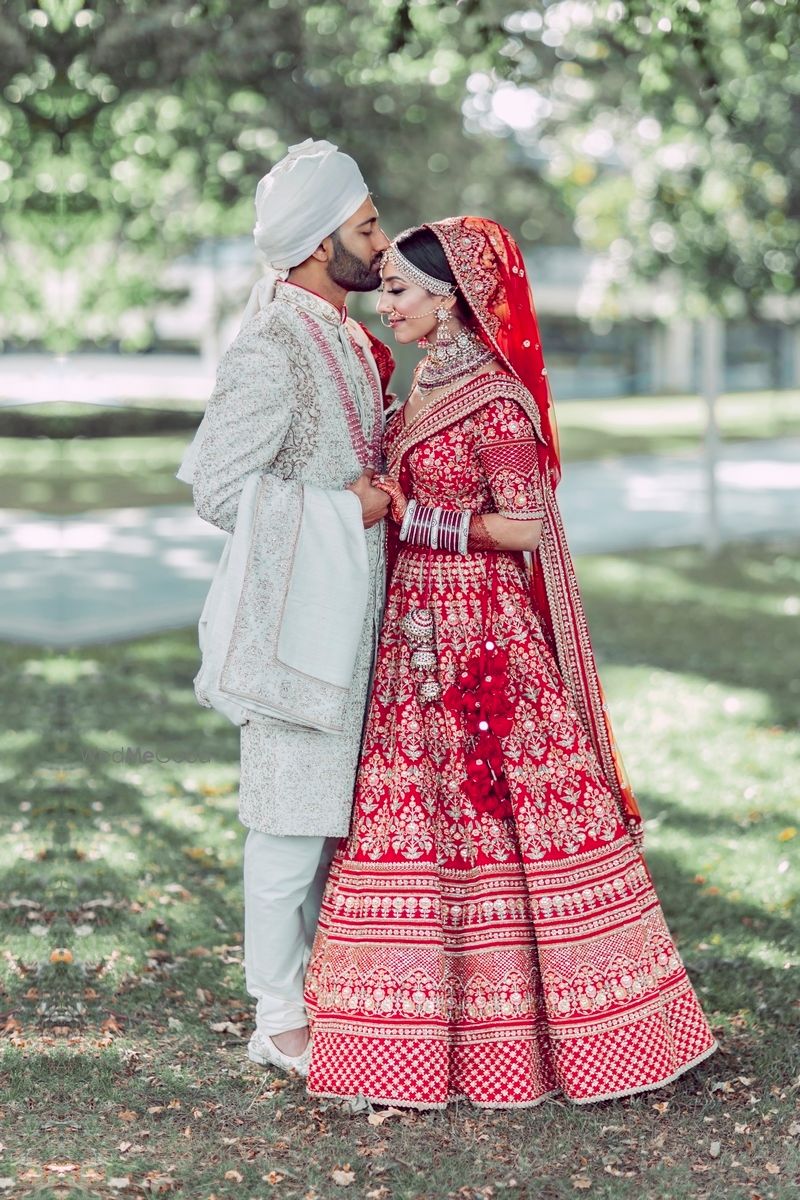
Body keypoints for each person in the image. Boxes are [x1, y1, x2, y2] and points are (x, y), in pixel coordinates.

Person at [303, 217, 717, 1110]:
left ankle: (577, 1036)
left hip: (484, 639)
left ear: (449, 298)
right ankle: (401, 1040)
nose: (388, 301)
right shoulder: (415, 386)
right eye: (385, 288)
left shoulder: (494, 399)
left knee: (504, 816)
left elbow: (524, 526)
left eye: (404, 290)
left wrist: (421, 522)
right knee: (423, 816)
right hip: (414, 634)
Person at [187, 139, 394, 1077]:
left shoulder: (347, 332)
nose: (382, 244)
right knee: (284, 823)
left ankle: (329, 992)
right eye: (366, 228)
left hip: (352, 615)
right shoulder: (273, 341)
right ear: (319, 245)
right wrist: (345, 509)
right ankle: (277, 1017)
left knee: (331, 825)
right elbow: (220, 487)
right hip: (295, 621)